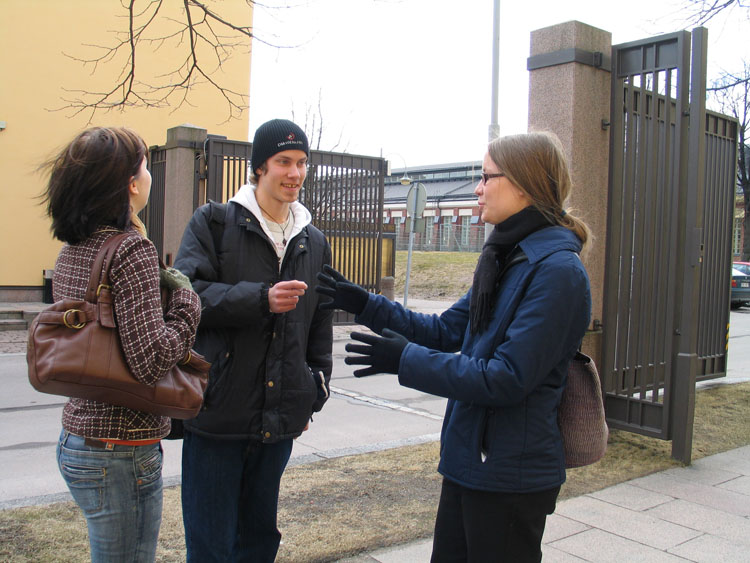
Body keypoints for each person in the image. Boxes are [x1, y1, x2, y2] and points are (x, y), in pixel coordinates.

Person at [316, 131, 592, 563]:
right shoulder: (504, 256)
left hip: (510, 476)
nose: (478, 190)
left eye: (486, 177)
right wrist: (365, 303)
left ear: (523, 184)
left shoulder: (557, 272)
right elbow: (447, 331)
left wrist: (404, 358)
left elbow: (507, 378)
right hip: (471, 460)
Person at [173, 118, 333, 562]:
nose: (295, 173)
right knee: (210, 545)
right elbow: (187, 298)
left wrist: (313, 392)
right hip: (218, 416)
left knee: (260, 541)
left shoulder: (313, 240)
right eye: (284, 161)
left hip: (279, 421)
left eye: (302, 163)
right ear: (258, 167)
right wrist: (260, 299)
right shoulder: (214, 222)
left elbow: (318, 326)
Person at [41, 126, 202, 562]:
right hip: (120, 450)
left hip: (78, 436)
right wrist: (187, 303)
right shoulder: (130, 249)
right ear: (131, 184)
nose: (149, 175)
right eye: (146, 166)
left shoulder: (75, 247)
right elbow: (150, 361)